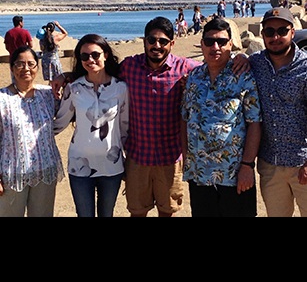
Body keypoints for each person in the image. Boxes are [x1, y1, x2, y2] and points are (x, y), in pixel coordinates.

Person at [52, 17, 201, 217]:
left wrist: (242, 60)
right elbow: (97, 71)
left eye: (163, 41)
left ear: (172, 43)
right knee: (137, 212)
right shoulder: (130, 67)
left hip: (170, 158)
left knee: (167, 211)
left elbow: (215, 66)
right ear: (144, 41)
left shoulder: (187, 69)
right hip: (138, 157)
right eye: (152, 40)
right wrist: (67, 76)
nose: (157, 45)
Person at [181, 17, 262, 217]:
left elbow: (254, 124)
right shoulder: (193, 77)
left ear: (230, 45)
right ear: (202, 44)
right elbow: (185, 118)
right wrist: (187, 158)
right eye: (209, 41)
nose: (215, 47)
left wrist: (247, 166)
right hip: (199, 174)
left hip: (234, 175)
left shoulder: (243, 76)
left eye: (222, 42)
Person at [234, 7, 307, 216]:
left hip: (302, 162)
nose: (275, 37)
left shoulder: (305, 67)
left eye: (282, 31)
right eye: (269, 32)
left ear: (293, 32)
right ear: (262, 34)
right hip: (270, 166)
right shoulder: (255, 63)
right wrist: (240, 56)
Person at [53, 34, 129, 217]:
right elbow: (59, 123)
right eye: (84, 56)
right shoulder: (74, 88)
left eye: (95, 54)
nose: (90, 60)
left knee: (106, 214)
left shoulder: (121, 88)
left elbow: (125, 128)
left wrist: (130, 162)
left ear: (106, 55)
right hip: (79, 165)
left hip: (112, 165)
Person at [0, 46, 64, 217]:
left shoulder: (48, 94)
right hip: (12, 176)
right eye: (20, 64)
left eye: (31, 64)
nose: (26, 69)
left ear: (37, 67)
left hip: (45, 171)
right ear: (12, 68)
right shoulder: (2, 99)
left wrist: (65, 76)